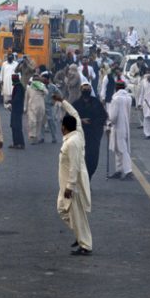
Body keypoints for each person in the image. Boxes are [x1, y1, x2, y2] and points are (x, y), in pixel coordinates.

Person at [58, 114, 92, 255]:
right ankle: (80, 236)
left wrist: (70, 186)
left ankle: (85, 245)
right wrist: (62, 102)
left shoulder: (72, 143)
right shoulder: (77, 135)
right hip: (65, 184)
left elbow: (74, 166)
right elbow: (77, 117)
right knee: (62, 209)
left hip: (72, 186)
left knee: (77, 215)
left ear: (63, 127)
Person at [72, 82, 108, 179]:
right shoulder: (76, 104)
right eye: (84, 89)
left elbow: (104, 116)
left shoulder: (96, 103)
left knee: (92, 160)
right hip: (80, 136)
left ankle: (88, 178)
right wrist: (81, 120)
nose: (86, 91)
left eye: (88, 89)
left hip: (94, 136)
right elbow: (68, 118)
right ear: (81, 91)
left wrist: (96, 123)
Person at [106, 79, 133, 180]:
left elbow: (113, 116)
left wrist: (108, 123)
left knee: (122, 149)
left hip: (118, 126)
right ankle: (119, 170)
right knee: (118, 149)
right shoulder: (128, 98)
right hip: (125, 125)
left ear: (116, 88)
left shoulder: (116, 99)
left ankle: (128, 171)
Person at [26, 75, 47, 144]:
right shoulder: (29, 88)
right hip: (31, 106)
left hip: (40, 107)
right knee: (32, 121)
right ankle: (32, 135)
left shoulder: (42, 86)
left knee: (39, 122)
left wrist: (41, 88)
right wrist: (25, 107)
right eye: (35, 80)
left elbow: (46, 93)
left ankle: (36, 137)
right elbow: (26, 98)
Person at [9, 74, 25, 149]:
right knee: (14, 126)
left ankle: (20, 143)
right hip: (16, 109)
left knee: (17, 126)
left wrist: (10, 101)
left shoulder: (18, 87)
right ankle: (16, 143)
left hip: (17, 110)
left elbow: (17, 99)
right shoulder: (18, 86)